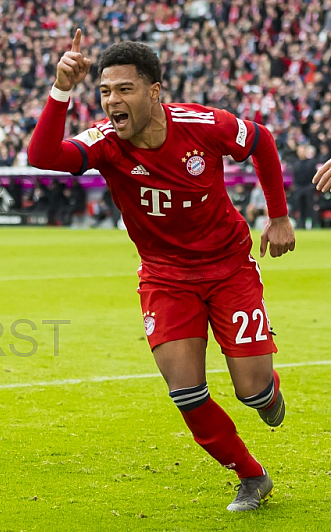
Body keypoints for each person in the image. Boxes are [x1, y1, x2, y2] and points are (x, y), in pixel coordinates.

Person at [28, 30, 295, 512]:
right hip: (165, 277)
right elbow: (43, 156)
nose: (112, 101)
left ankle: (266, 390)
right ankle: (251, 476)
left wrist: (277, 216)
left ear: (154, 91)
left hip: (229, 268)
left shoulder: (203, 124)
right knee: (187, 391)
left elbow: (261, 140)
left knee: (254, 394)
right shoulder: (107, 143)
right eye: (105, 91)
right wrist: (61, 88)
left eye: (124, 89)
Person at [291, 144, 319, 229]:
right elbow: (295, 176)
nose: (301, 153)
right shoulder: (296, 163)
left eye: (302, 151)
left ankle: (314, 225)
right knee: (300, 208)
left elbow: (314, 175)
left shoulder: (311, 162)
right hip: (299, 188)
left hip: (308, 187)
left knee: (310, 207)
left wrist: (312, 187)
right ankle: (301, 225)